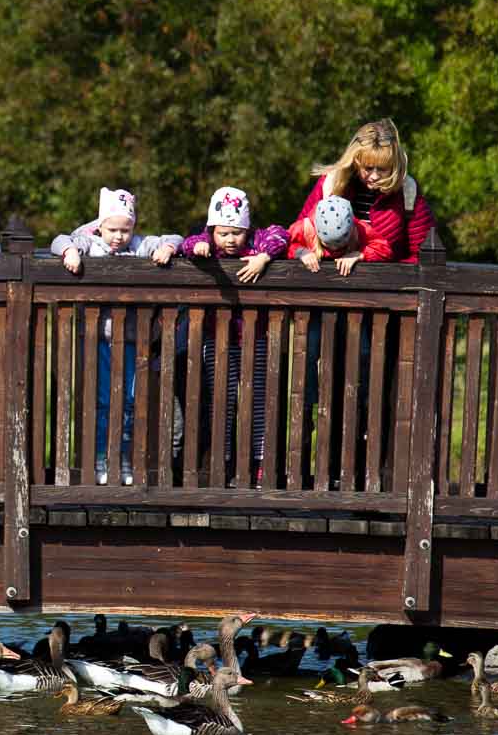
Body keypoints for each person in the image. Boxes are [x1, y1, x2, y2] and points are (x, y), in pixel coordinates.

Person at [50, 187, 181, 486]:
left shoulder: (139, 244)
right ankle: (100, 457)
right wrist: (70, 252)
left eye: (125, 229)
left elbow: (174, 238)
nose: (119, 236)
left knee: (130, 402)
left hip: (134, 339)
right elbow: (59, 240)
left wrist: (168, 250)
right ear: (100, 226)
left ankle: (123, 459)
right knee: (103, 401)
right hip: (99, 338)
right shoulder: (90, 242)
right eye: (112, 229)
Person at [176, 187, 290, 480]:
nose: (230, 240)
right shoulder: (207, 242)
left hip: (258, 337)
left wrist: (263, 257)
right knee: (220, 401)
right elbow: (188, 243)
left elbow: (282, 234)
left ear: (247, 229)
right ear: (213, 230)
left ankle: (259, 462)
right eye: (223, 233)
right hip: (218, 338)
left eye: (237, 233)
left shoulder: (258, 241)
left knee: (259, 401)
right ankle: (222, 461)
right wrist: (200, 246)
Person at [295, 118, 435, 263]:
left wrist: (370, 262)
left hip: (387, 281)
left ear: (393, 165)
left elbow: (424, 255)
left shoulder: (407, 191)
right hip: (332, 278)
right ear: (356, 161)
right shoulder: (331, 184)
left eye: (382, 169)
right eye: (368, 168)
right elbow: (300, 234)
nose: (374, 176)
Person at [288, 194, 392, 275]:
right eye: (327, 244)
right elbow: (284, 244)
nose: (334, 249)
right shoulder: (305, 228)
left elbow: (384, 249)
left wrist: (359, 255)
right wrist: (301, 252)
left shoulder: (360, 229)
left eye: (340, 245)